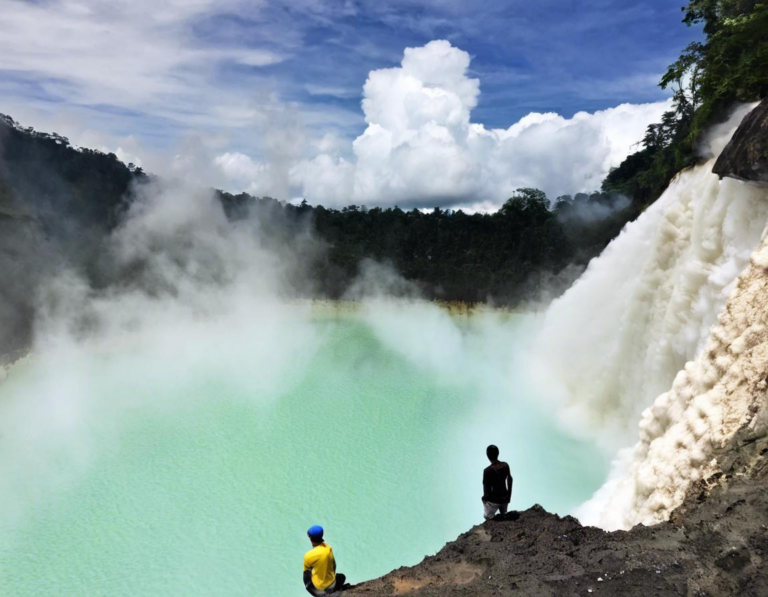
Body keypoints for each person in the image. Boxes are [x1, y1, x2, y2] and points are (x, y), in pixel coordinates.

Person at [303, 525, 347, 595]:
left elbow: (306, 574)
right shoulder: (328, 548)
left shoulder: (308, 555)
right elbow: (334, 566)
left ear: (310, 538)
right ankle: (333, 588)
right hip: (332, 583)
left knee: (307, 582)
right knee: (342, 576)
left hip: (319, 586)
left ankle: (320, 594)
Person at [482, 444, 513, 520]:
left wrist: (484, 499)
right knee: (504, 512)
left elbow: (486, 491)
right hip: (505, 498)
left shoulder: (487, 471)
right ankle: (503, 513)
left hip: (495, 500)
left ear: (487, 455)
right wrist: (509, 495)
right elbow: (510, 479)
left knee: (486, 516)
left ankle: (493, 519)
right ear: (498, 453)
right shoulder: (505, 465)